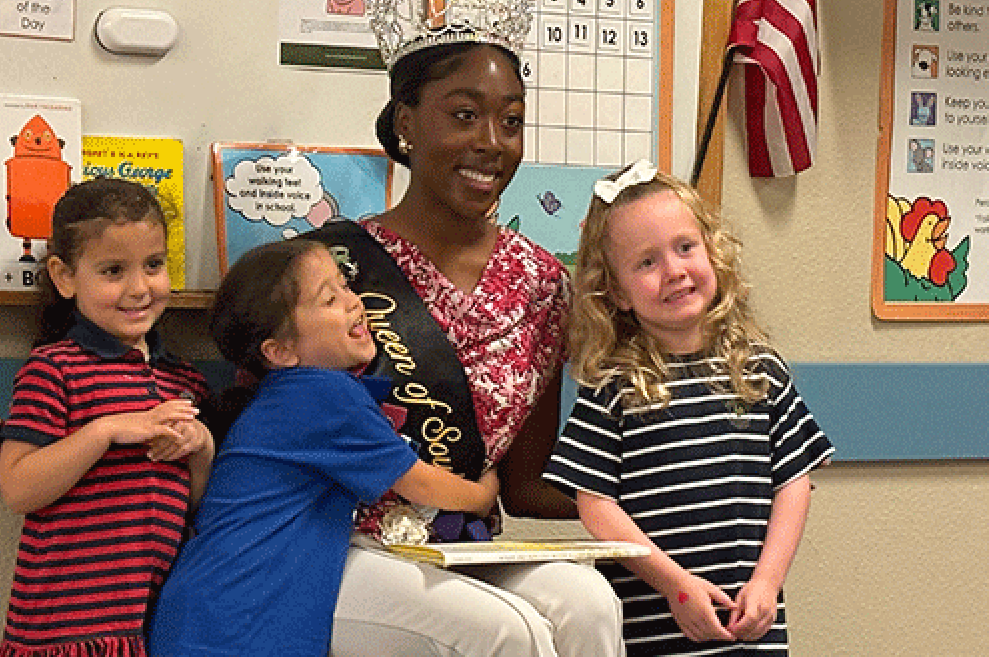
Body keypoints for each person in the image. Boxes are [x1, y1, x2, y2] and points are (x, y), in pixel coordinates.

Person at [304, 38, 623, 656]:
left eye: (511, 121)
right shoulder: (326, 268)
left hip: (468, 540)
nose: (492, 142)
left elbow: (526, 485)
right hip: (338, 545)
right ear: (406, 122)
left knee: (589, 603)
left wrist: (653, 490)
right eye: (464, 114)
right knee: (507, 632)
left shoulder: (541, 284)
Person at [148, 238, 501, 656]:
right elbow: (421, 485)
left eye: (346, 286)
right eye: (329, 299)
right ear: (280, 351)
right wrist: (484, 493)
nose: (354, 303)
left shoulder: (292, 394)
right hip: (229, 624)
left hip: (212, 617)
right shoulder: (322, 393)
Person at [543, 162, 835, 656]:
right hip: (655, 629)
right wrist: (674, 584)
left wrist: (767, 583)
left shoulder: (760, 370)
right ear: (616, 291)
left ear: (712, 252)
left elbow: (794, 482)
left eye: (685, 248)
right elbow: (595, 505)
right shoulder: (613, 387)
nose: (674, 271)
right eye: (646, 262)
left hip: (751, 626)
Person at [0, 178, 215, 657]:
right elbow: (17, 488)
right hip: (66, 631)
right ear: (65, 276)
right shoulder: (54, 369)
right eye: (113, 270)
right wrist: (108, 429)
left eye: (154, 266)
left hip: (153, 625)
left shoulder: (184, 381)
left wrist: (201, 445)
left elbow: (198, 504)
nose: (139, 288)